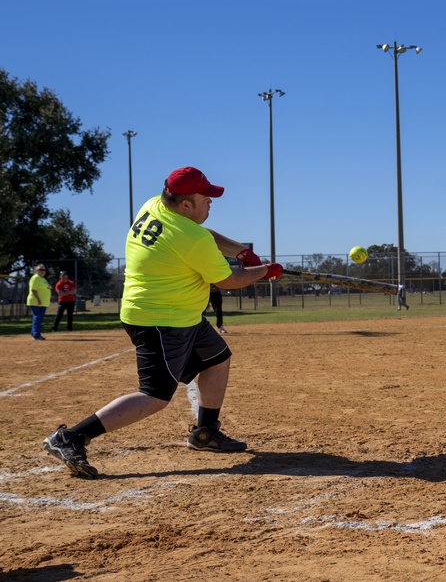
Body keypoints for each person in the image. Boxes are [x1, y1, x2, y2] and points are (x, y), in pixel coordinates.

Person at [42, 166, 280, 479]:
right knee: (154, 395)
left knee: (218, 359)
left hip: (179, 314)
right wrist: (265, 271)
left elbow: (203, 235)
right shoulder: (189, 237)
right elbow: (229, 280)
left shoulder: (155, 204)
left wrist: (240, 250)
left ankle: (206, 433)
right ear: (185, 204)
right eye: (204, 197)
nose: (210, 201)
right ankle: (72, 437)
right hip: (160, 320)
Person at [26, 264, 51, 341]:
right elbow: (33, 290)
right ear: (36, 271)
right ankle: (35, 335)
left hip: (43, 303)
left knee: (39, 318)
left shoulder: (43, 279)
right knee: (37, 317)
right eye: (40, 270)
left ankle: (36, 333)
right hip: (36, 302)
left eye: (44, 270)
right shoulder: (36, 278)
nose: (43, 271)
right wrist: (37, 299)